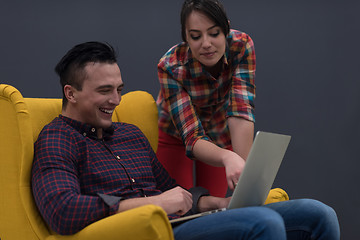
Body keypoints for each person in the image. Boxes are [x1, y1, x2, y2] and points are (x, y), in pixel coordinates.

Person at [31, 41, 340, 239]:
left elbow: (172, 193)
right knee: (264, 224)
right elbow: (64, 211)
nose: (116, 100)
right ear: (70, 93)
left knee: (317, 213)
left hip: (177, 223)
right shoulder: (57, 139)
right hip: (143, 232)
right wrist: (152, 204)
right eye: (104, 91)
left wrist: (216, 203)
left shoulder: (130, 134)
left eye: (119, 89)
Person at [156, 0, 256, 197]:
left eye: (214, 33)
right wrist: (228, 157)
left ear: (225, 29)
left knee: (215, 212)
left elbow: (240, 110)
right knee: (181, 209)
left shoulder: (241, 46)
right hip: (176, 135)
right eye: (195, 36)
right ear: (185, 37)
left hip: (220, 134)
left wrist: (245, 174)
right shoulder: (170, 66)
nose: (206, 44)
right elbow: (191, 135)